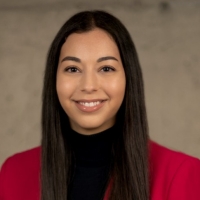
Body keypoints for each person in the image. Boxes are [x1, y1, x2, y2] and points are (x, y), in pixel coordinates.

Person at [0, 10, 200, 200]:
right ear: (53, 79)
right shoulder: (14, 173)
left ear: (128, 78)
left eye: (106, 68)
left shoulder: (183, 174)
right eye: (72, 69)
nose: (88, 85)